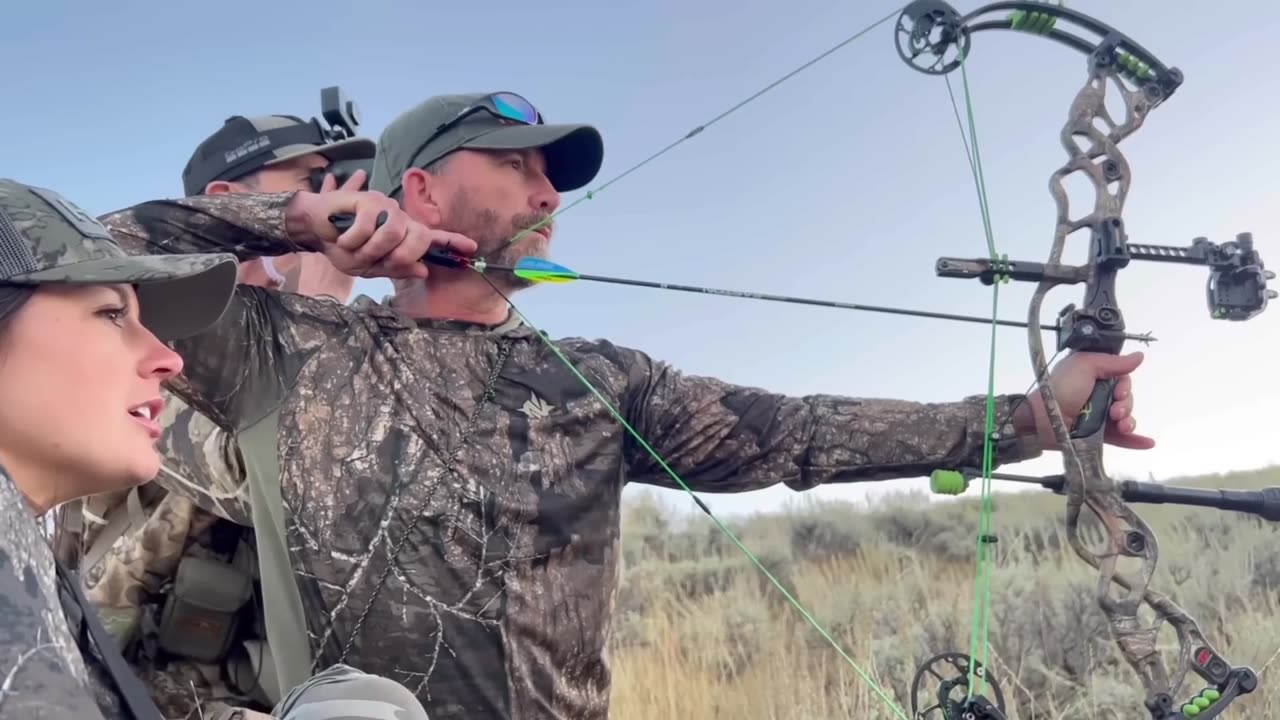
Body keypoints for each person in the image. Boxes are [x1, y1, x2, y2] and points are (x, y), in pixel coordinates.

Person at [94, 90, 1153, 720]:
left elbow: (801, 435)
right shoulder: (289, 350)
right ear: (414, 194)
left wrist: (1033, 415)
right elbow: (102, 256)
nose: (547, 196)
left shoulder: (600, 379)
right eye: (512, 166)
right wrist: (297, 217)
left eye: (551, 179)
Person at [0, 177, 431, 720]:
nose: (168, 359)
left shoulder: (22, 559)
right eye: (111, 314)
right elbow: (290, 467)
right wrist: (294, 233)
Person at [49, 112, 378, 716]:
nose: (340, 199)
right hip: (144, 690)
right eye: (313, 181)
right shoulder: (159, 356)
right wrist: (320, 304)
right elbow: (264, 479)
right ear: (227, 203)